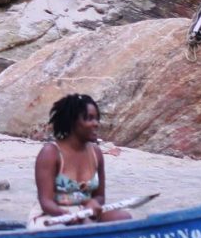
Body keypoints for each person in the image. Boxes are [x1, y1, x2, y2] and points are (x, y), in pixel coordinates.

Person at [33, 93, 131, 226]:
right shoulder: (51, 153)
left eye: (97, 119)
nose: (96, 124)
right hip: (54, 215)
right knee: (78, 228)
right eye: (89, 119)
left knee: (123, 218)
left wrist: (92, 204)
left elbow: (100, 196)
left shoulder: (96, 153)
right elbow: (46, 202)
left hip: (85, 212)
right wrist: (67, 215)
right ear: (72, 122)